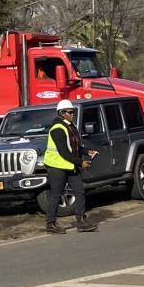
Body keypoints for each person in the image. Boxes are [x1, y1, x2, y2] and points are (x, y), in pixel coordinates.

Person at [41, 100, 94, 234]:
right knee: (56, 195)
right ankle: (50, 224)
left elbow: (75, 146)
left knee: (80, 190)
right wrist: (81, 162)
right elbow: (64, 152)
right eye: (70, 112)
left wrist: (87, 151)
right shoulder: (58, 129)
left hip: (69, 164)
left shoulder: (70, 126)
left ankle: (81, 221)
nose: (73, 114)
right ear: (62, 113)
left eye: (73, 112)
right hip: (56, 166)